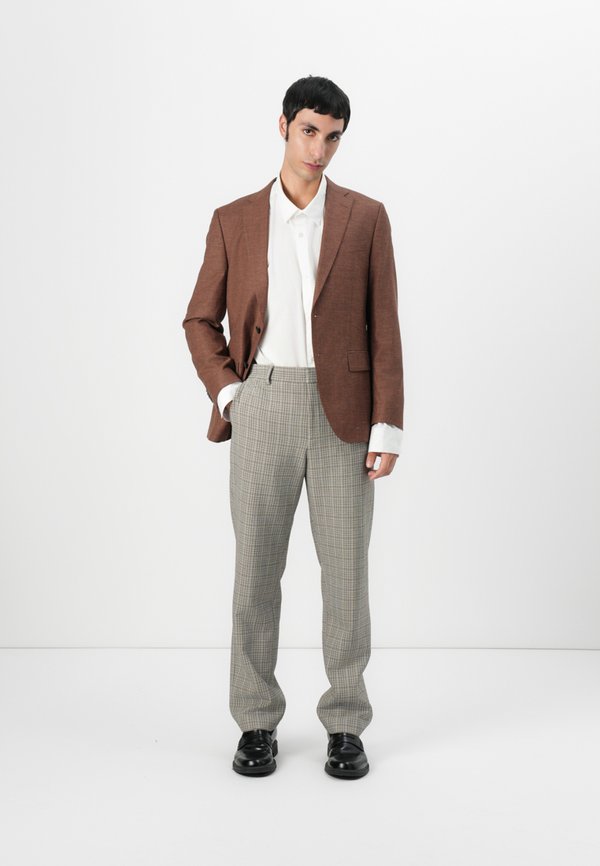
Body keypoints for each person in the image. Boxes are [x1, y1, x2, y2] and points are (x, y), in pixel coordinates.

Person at [182, 75, 404, 779]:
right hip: (265, 403)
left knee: (346, 574)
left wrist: (387, 426)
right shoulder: (235, 219)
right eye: (309, 131)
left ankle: (346, 723)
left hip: (346, 414)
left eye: (333, 137)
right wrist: (232, 394)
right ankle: (255, 721)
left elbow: (385, 328)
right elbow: (199, 319)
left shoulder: (366, 217)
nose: (320, 149)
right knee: (256, 571)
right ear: (283, 127)